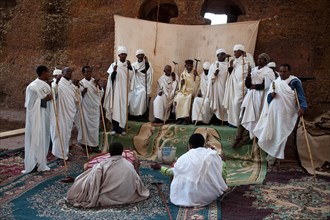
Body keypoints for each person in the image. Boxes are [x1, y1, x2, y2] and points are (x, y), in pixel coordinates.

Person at [151, 133, 228, 207]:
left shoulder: (184, 158)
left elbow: (171, 172)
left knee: (176, 173)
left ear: (190, 145)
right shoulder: (212, 155)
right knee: (218, 167)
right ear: (203, 144)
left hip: (187, 197)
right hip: (208, 195)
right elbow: (221, 172)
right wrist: (223, 162)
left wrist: (160, 168)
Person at [253, 64, 307, 166]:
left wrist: (303, 108)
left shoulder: (294, 82)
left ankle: (277, 158)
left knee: (282, 134)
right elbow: (268, 100)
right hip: (274, 112)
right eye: (281, 71)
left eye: (285, 71)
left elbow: (301, 97)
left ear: (289, 72)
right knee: (273, 133)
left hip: (286, 113)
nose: (282, 73)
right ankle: (271, 158)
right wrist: (271, 96)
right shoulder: (275, 82)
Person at [67, 142, 149, 208]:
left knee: (82, 179)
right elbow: (137, 181)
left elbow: (93, 183)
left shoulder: (102, 166)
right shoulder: (129, 165)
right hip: (128, 196)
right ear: (121, 152)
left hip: (108, 198)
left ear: (109, 152)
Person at [232, 53, 276, 147]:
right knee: (243, 115)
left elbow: (266, 85)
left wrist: (254, 86)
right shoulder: (254, 70)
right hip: (250, 95)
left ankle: (245, 138)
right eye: (258, 59)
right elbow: (248, 85)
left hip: (260, 97)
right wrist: (248, 76)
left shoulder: (269, 72)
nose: (259, 60)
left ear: (266, 61)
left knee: (252, 118)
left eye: (261, 59)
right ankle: (237, 137)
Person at [22, 65, 52, 174]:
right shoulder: (32, 87)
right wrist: (44, 100)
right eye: (48, 72)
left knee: (44, 138)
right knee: (35, 138)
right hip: (35, 119)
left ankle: (41, 161)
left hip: (45, 117)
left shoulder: (46, 85)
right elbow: (29, 105)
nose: (49, 74)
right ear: (43, 72)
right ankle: (33, 162)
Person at [103, 46, 134, 135]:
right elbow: (110, 80)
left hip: (124, 91)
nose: (123, 56)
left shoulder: (128, 67)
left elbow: (131, 78)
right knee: (115, 108)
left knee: (123, 109)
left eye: (125, 54)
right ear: (119, 55)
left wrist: (130, 68)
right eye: (122, 54)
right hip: (115, 91)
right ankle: (114, 128)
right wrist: (114, 72)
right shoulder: (114, 65)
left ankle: (121, 129)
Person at [223, 44, 255, 127]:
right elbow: (231, 73)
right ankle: (232, 122)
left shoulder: (247, 60)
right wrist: (230, 68)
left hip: (242, 86)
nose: (234, 53)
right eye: (234, 51)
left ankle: (239, 123)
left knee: (237, 103)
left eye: (235, 51)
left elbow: (251, 70)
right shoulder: (234, 61)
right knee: (232, 103)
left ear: (241, 51)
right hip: (234, 86)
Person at [51, 67, 79, 160]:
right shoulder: (58, 83)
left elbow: (77, 98)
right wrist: (56, 83)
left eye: (71, 71)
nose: (69, 73)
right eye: (67, 71)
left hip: (69, 113)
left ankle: (65, 153)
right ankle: (58, 155)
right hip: (60, 113)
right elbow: (53, 92)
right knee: (59, 133)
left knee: (66, 134)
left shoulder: (70, 84)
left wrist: (76, 87)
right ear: (62, 72)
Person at [75, 66, 103, 153]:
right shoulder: (81, 83)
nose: (88, 73)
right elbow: (76, 97)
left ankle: (94, 146)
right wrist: (82, 93)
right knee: (85, 127)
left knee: (94, 128)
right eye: (86, 72)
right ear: (83, 73)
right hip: (85, 108)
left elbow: (101, 93)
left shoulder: (94, 82)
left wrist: (98, 85)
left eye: (89, 72)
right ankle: (86, 145)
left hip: (94, 108)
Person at [174, 59, 200, 125]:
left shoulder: (195, 74)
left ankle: (185, 119)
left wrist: (196, 77)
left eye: (190, 66)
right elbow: (180, 86)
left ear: (192, 66)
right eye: (188, 66)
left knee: (187, 99)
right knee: (179, 98)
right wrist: (181, 84)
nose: (189, 67)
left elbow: (197, 85)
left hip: (191, 92)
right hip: (183, 91)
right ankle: (179, 118)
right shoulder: (183, 74)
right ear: (185, 66)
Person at [130, 49, 153, 119]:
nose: (140, 56)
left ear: (143, 56)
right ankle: (132, 114)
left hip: (143, 85)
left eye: (141, 55)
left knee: (142, 93)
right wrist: (134, 71)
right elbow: (130, 74)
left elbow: (149, 73)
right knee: (132, 93)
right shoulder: (133, 65)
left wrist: (146, 63)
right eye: (139, 55)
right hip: (135, 85)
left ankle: (141, 114)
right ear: (136, 56)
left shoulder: (147, 64)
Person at [207, 49, 229, 124]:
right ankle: (217, 118)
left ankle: (224, 119)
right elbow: (209, 78)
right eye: (221, 54)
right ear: (217, 56)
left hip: (225, 87)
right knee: (216, 102)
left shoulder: (228, 65)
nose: (223, 56)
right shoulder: (213, 65)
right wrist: (215, 74)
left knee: (224, 102)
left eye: (224, 54)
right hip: (216, 87)